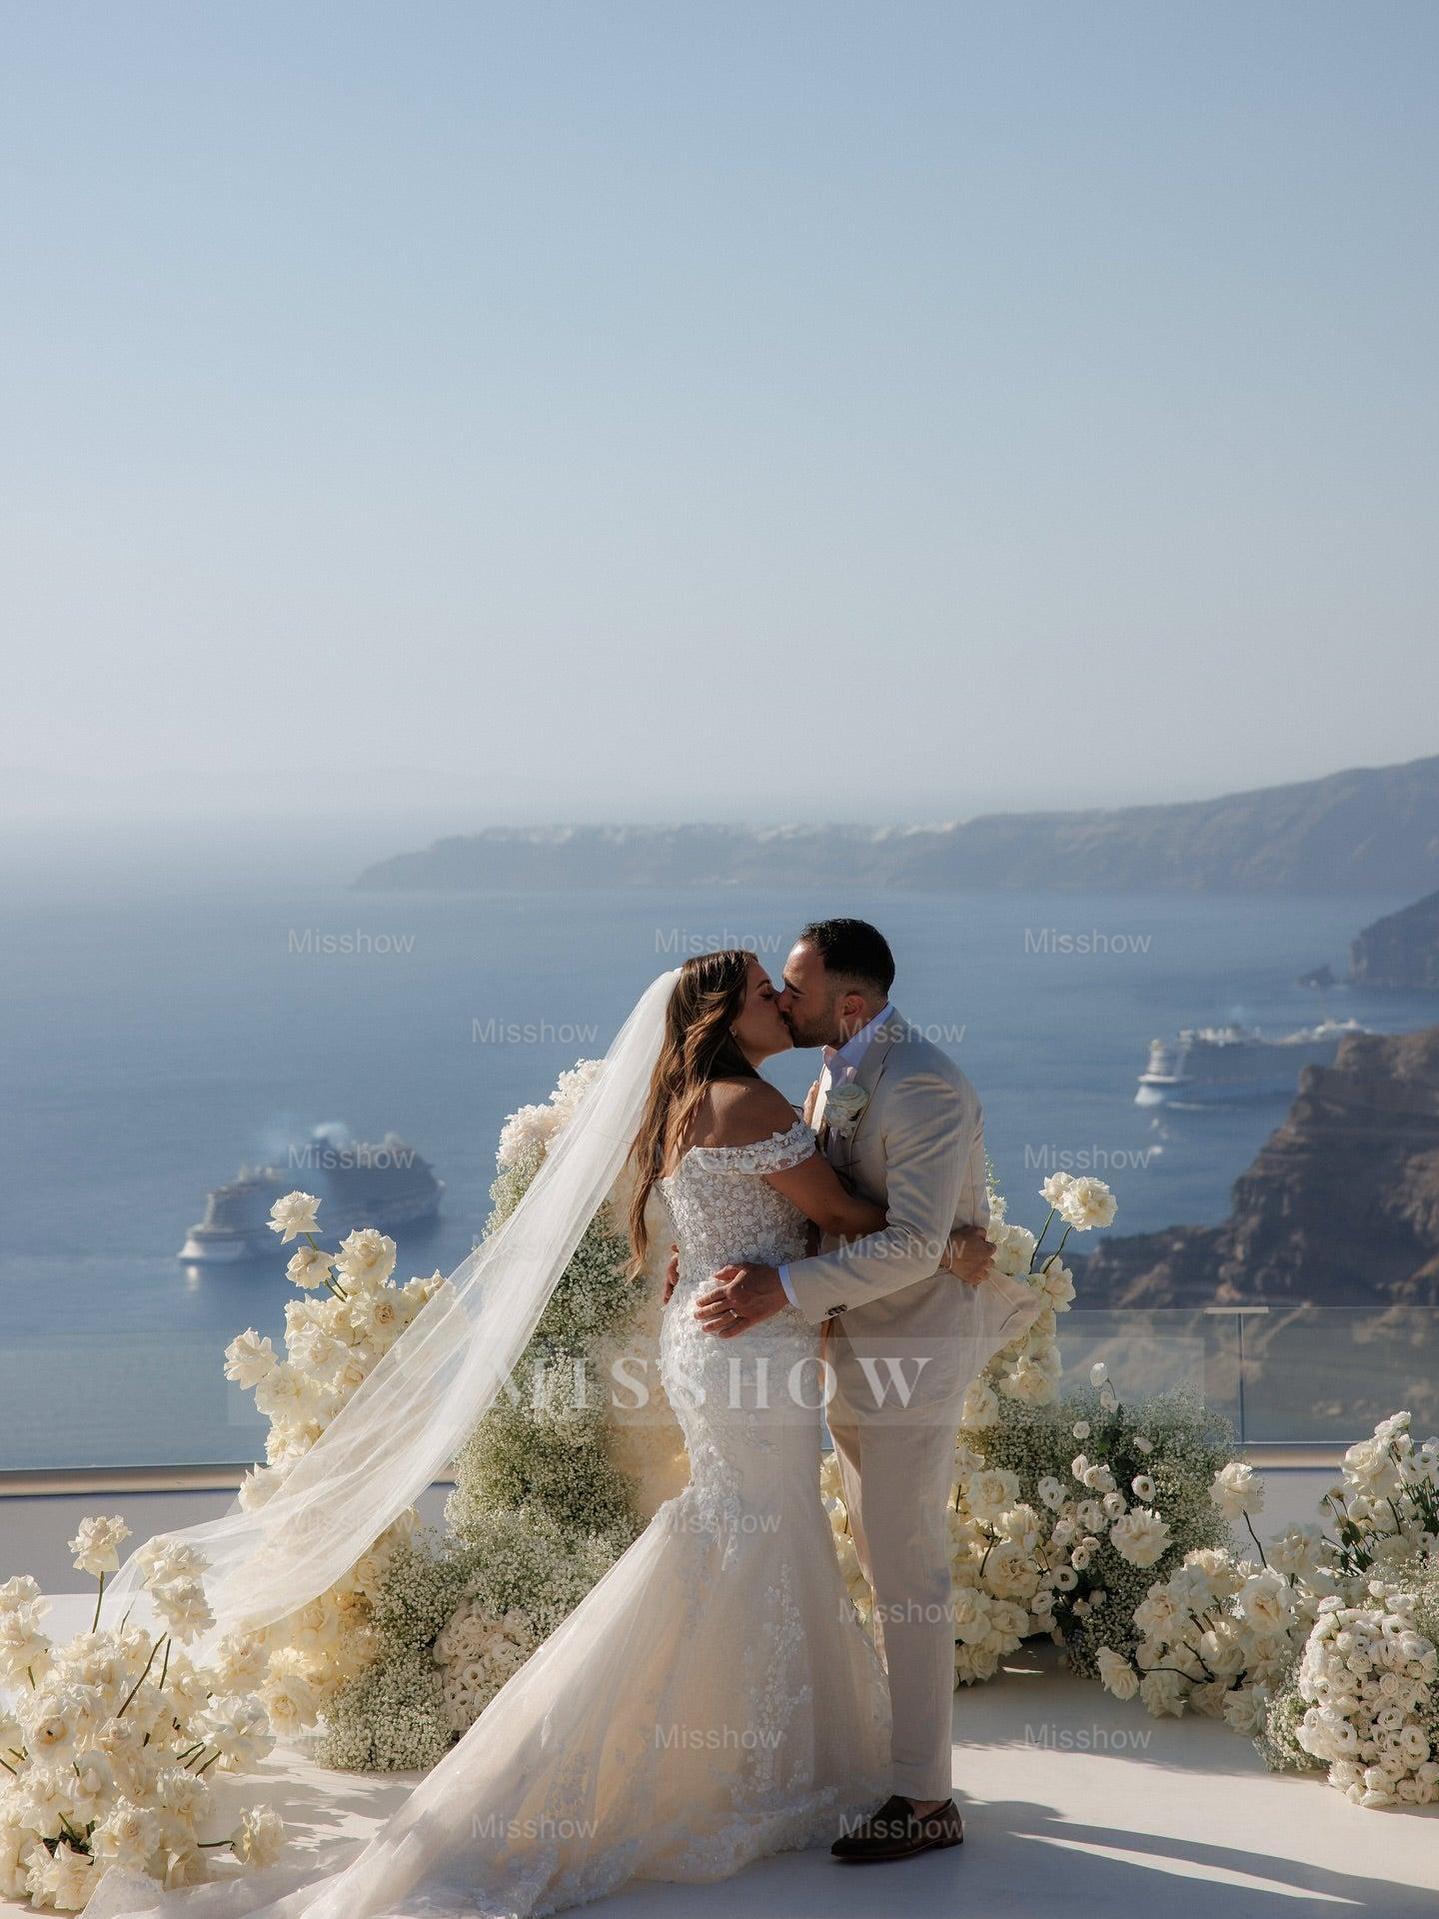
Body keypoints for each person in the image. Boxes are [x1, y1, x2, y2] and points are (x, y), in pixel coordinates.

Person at [85, 948, 1038, 1919]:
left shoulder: (677, 1103)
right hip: (748, 1349)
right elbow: (837, 1214)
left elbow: (724, 1226)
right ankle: (745, 1763)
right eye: (762, 991)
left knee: (749, 1528)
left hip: (717, 1337)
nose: (780, 1003)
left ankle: (770, 1753)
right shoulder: (747, 1106)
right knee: (748, 1527)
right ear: (718, 1015)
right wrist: (948, 1239)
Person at [692, 919, 1037, 1863]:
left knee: (905, 1567)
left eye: (793, 987)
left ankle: (925, 1801)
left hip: (910, 1353)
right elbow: (842, 1207)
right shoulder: (832, 1071)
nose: (781, 1000)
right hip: (847, 1345)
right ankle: (874, 1762)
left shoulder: (920, 1081)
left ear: (848, 1002)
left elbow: (908, 1241)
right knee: (875, 1551)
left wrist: (782, 1290)